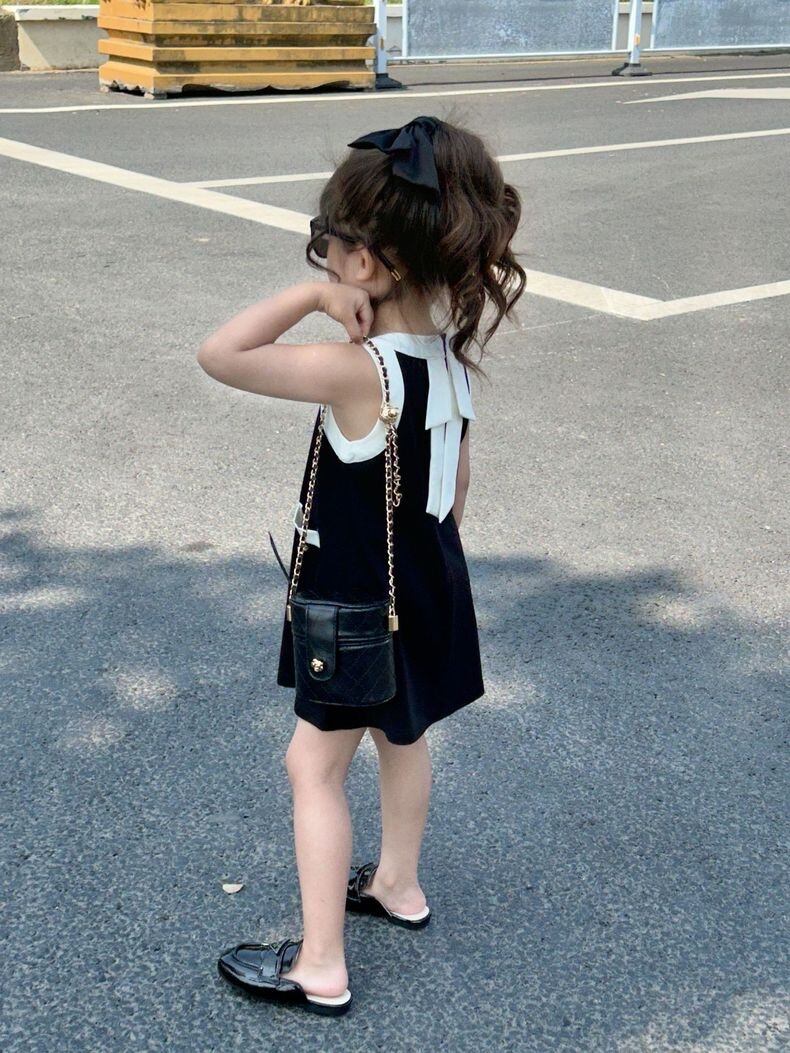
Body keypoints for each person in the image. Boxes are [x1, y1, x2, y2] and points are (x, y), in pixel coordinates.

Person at [196, 114, 526, 1016]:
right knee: (404, 735)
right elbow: (455, 491)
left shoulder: (358, 371)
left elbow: (221, 354)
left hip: (352, 608)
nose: (325, 265)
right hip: (428, 585)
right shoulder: (450, 363)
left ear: (366, 264)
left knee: (311, 767)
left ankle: (321, 966)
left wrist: (309, 299)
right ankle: (398, 883)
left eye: (327, 250)